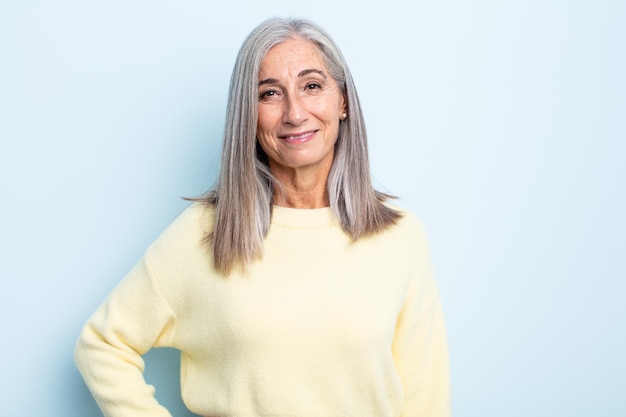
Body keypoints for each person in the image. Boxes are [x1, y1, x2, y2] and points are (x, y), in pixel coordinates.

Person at [74, 17, 450, 417]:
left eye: (312, 86)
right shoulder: (206, 232)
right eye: (269, 94)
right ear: (247, 115)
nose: (294, 113)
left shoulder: (401, 236)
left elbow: (425, 397)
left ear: (342, 101)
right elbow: (101, 344)